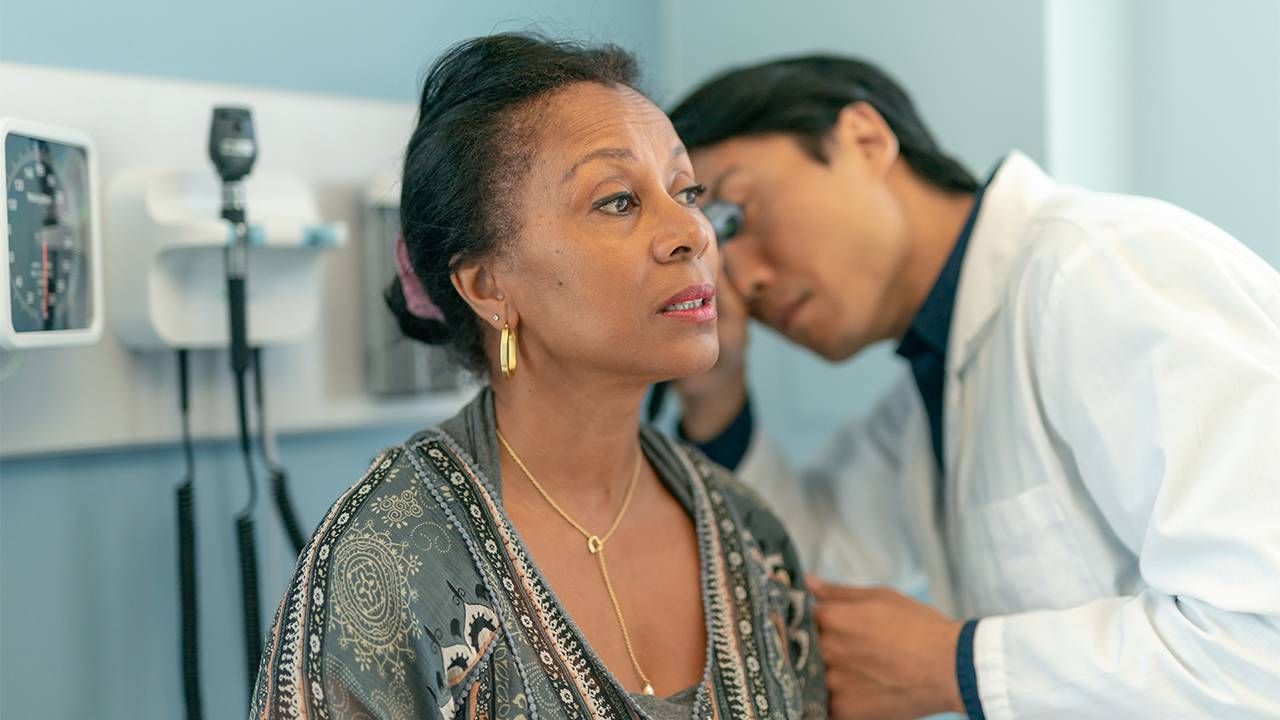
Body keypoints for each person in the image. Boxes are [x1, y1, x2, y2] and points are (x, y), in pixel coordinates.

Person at [667, 54, 1280, 719]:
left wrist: (959, 665)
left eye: (734, 218)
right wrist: (713, 388)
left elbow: (1261, 638)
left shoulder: (1102, 273)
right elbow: (804, 564)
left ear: (864, 139)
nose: (743, 281)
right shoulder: (931, 386)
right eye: (714, 257)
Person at [250, 34, 826, 720]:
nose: (692, 233)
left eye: (686, 191)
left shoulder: (754, 545)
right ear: (489, 286)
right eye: (618, 200)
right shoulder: (388, 562)